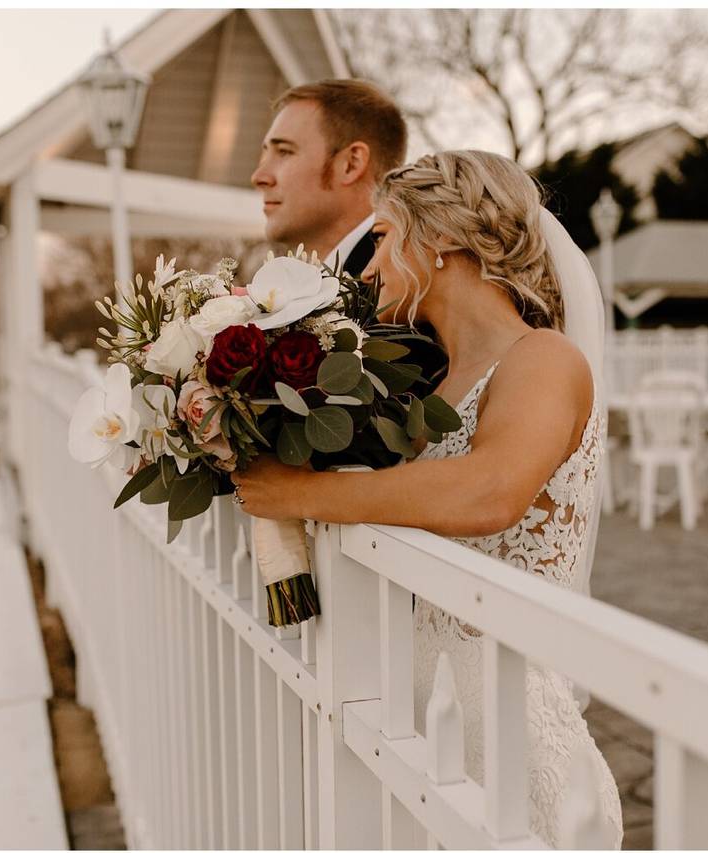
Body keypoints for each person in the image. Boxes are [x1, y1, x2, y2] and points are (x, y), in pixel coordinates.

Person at [232, 149, 623, 848]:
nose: (372, 267)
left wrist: (303, 492)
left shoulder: (545, 359)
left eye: (383, 237)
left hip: (510, 737)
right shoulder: (431, 390)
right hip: (426, 728)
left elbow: (490, 492)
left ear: (441, 236)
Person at [251, 78, 407, 279]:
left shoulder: (396, 285)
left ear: (351, 164)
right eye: (265, 154)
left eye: (284, 152)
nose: (259, 177)